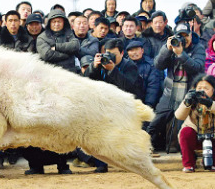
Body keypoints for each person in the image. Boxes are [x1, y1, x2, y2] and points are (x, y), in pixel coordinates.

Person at [83, 38, 144, 172]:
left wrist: (113, 70)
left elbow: (129, 87)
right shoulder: (100, 64)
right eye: (107, 53)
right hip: (103, 106)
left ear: (122, 53)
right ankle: (101, 164)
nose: (109, 57)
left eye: (113, 55)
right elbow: (86, 82)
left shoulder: (130, 66)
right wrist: (93, 66)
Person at [147, 19, 205, 153]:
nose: (183, 39)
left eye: (186, 36)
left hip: (189, 94)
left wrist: (180, 54)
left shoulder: (198, 48)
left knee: (182, 127)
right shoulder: (170, 45)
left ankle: (186, 154)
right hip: (170, 92)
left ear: (191, 35)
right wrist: (167, 50)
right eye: (180, 36)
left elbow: (197, 68)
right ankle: (144, 149)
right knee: (155, 122)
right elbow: (158, 65)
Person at [175, 74, 215, 172]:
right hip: (195, 135)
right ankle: (189, 165)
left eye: (206, 88)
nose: (202, 91)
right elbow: (179, 116)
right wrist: (187, 103)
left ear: (213, 90)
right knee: (186, 132)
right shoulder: (191, 98)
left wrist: (210, 104)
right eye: (199, 88)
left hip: (213, 135)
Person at [127, 40, 163, 109]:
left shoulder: (151, 65)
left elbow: (153, 86)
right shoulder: (125, 64)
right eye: (131, 50)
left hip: (145, 101)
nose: (134, 52)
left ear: (142, 51)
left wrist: (148, 105)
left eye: (137, 50)